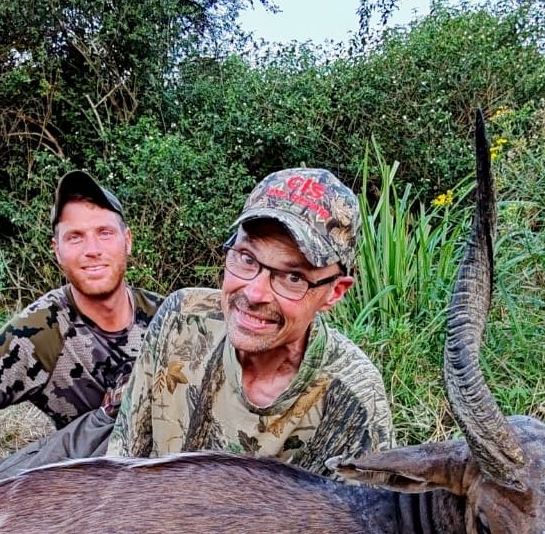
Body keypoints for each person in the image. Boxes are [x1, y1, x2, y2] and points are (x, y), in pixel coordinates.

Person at [107, 168, 393, 475]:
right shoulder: (181, 319)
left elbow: (363, 520)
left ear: (334, 292)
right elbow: (121, 465)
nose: (255, 293)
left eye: (293, 277)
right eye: (247, 258)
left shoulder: (355, 398)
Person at [0, 170, 162, 518]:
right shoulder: (42, 329)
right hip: (82, 481)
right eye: (75, 237)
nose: (92, 250)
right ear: (56, 250)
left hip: (160, 478)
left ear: (127, 241)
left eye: (104, 233)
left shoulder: (170, 319)